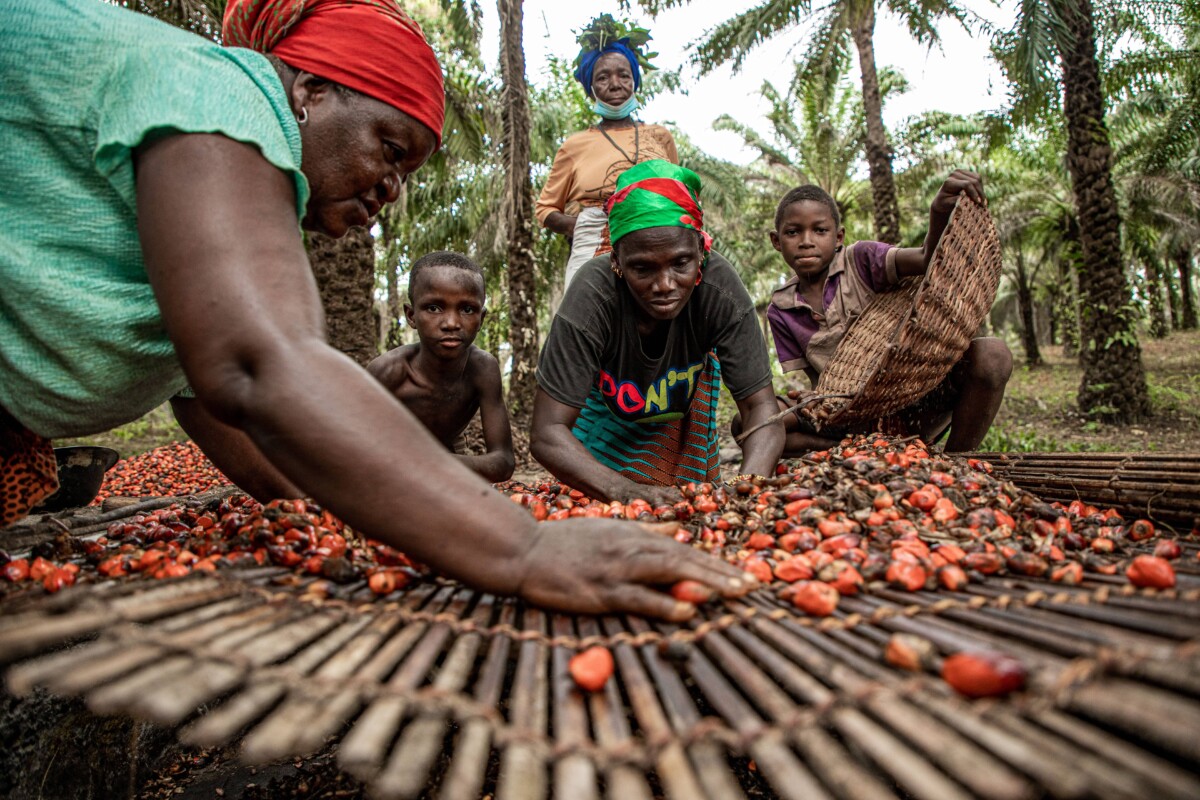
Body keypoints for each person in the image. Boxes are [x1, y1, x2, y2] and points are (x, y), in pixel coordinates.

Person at [0, 0, 757, 621]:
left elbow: (256, 440)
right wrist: (518, 547)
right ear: (308, 93)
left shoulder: (196, 224)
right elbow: (256, 368)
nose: (392, 188)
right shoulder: (217, 92)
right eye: (390, 150)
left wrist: (392, 517)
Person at [531, 160, 785, 508]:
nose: (665, 285)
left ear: (700, 251)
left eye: (681, 263)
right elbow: (548, 432)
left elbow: (761, 409)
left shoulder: (720, 289)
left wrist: (744, 488)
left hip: (680, 418)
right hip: (606, 430)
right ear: (616, 261)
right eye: (642, 268)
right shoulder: (592, 295)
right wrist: (626, 493)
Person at [762, 171, 1013, 455]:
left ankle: (958, 460)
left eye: (820, 231)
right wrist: (825, 410)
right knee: (753, 423)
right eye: (793, 232)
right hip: (848, 414)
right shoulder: (781, 308)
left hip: (911, 396)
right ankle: (856, 449)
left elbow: (926, 259)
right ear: (776, 240)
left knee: (993, 356)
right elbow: (821, 383)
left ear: (838, 236)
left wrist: (938, 211)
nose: (806, 241)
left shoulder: (862, 261)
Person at [536, 15, 678, 288]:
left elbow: (681, 194)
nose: (615, 84)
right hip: (595, 242)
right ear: (592, 88)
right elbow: (545, 209)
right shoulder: (575, 146)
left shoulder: (660, 137)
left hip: (659, 241)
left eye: (623, 75)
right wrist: (582, 226)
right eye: (603, 77)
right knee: (586, 317)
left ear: (634, 81)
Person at [368, 251, 514, 483]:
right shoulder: (388, 372)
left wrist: (425, 460)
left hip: (447, 457)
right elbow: (361, 451)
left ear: (482, 318)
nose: (451, 323)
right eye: (434, 308)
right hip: (391, 469)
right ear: (411, 315)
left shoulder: (482, 369)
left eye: (467, 310)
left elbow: (503, 463)